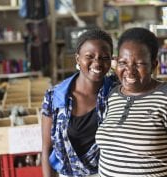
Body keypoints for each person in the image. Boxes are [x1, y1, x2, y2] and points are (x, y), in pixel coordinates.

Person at [41, 29, 115, 177]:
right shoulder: (55, 97)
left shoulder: (117, 92)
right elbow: (46, 149)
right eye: (90, 56)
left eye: (104, 57)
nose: (97, 63)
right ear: (77, 59)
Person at [96, 27, 167, 177]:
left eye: (139, 64)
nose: (130, 70)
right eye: (123, 62)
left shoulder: (165, 96)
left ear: (153, 65)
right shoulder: (113, 95)